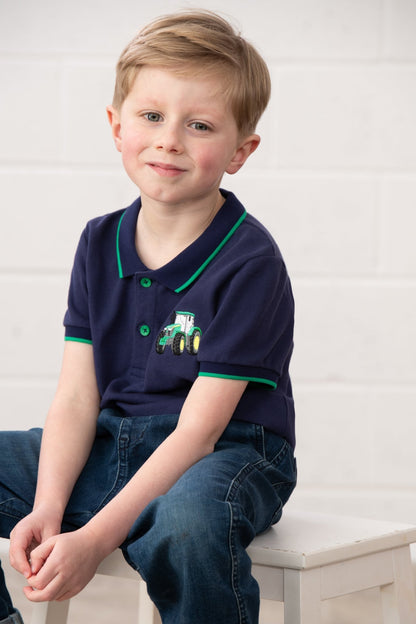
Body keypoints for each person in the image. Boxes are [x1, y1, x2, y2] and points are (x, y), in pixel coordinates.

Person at [0, 10, 297, 624]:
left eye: (200, 125)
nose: (169, 140)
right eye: (152, 116)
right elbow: (77, 397)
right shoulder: (97, 241)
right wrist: (50, 506)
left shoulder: (249, 260)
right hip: (112, 443)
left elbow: (198, 434)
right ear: (116, 125)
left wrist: (93, 541)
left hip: (227, 454)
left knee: (186, 527)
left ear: (241, 150)